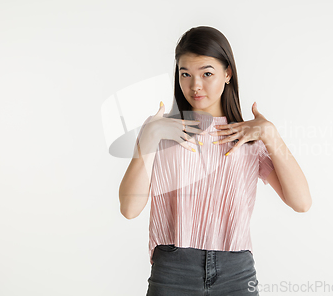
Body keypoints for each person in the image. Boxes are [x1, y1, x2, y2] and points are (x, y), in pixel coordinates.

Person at [119, 26, 312, 296]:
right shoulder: (161, 133)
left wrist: (270, 134)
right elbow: (129, 209)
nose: (195, 85)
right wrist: (148, 137)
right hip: (173, 270)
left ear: (228, 73)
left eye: (206, 73)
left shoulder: (248, 137)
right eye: (185, 74)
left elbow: (301, 202)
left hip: (236, 271)